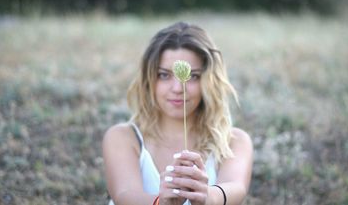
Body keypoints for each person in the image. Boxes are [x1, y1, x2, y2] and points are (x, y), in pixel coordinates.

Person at [103, 22, 253, 205]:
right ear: (149, 79)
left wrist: (209, 197)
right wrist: (161, 202)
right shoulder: (123, 137)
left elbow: (236, 188)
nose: (177, 88)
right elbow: (124, 195)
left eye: (192, 76)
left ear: (209, 81)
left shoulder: (233, 141)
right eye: (164, 75)